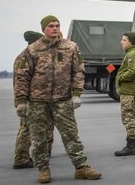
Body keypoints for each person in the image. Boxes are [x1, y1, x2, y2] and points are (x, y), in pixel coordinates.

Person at [14, 15, 101, 183]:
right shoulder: (32, 50)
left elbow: (78, 71)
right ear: (44, 29)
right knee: (39, 137)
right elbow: (22, 76)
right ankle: (43, 169)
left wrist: (76, 94)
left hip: (63, 100)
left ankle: (81, 168)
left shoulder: (71, 47)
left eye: (57, 25)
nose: (55, 28)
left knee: (71, 134)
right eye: (51, 26)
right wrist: (21, 101)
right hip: (38, 101)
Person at [13, 31, 51, 169]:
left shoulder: (30, 55)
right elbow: (21, 82)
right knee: (27, 129)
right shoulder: (25, 57)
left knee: (29, 128)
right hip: (29, 100)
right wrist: (22, 101)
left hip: (34, 99)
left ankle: (26, 155)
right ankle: (21, 158)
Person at [114, 31, 135, 156]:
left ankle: (131, 146)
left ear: (131, 42)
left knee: (128, 117)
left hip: (128, 90)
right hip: (134, 90)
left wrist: (120, 78)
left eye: (124, 40)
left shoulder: (131, 55)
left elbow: (133, 70)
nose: (121, 42)